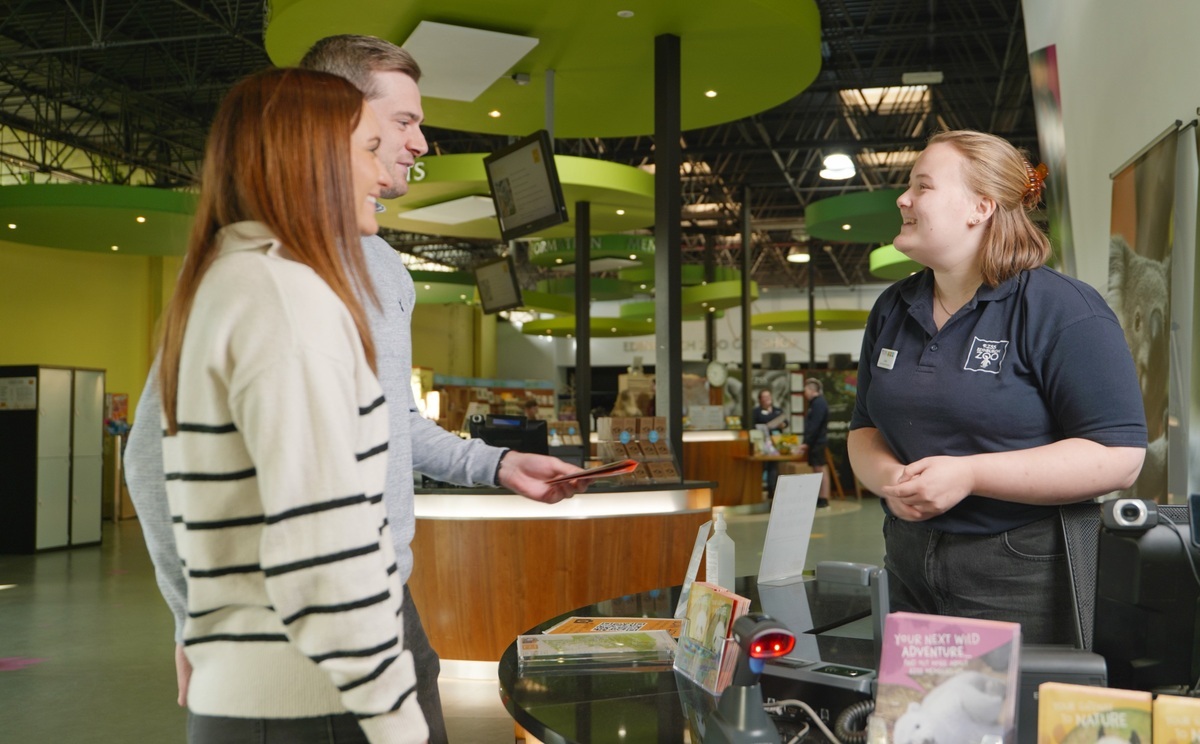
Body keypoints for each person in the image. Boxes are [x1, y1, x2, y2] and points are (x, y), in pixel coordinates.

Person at [124, 35, 585, 744]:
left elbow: (396, 420)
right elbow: (153, 457)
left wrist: (494, 463)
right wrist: (198, 621)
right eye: (395, 126)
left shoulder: (380, 267)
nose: (417, 143)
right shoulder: (262, 276)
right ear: (327, 130)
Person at [153, 67, 424, 742]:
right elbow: (323, 547)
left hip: (248, 695)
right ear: (314, 160)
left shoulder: (223, 281)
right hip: (314, 703)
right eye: (367, 149)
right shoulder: (285, 300)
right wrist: (397, 720)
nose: (381, 177)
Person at [846, 130, 1147, 644]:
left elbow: (1118, 455)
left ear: (980, 207)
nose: (903, 198)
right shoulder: (893, 308)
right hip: (908, 559)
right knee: (920, 720)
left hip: (1022, 567)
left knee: (1015, 721)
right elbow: (864, 428)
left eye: (923, 186)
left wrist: (968, 475)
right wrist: (893, 480)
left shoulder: (1063, 309)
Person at [800, 378, 830, 509]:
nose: (804, 393)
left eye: (806, 390)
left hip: (817, 442)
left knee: (820, 469)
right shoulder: (815, 403)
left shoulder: (819, 404)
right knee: (817, 469)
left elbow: (815, 425)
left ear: (812, 390)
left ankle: (824, 497)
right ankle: (820, 497)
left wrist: (807, 442)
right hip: (816, 441)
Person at [752, 388, 787, 498]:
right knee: (761, 466)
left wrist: (783, 425)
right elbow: (752, 425)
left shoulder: (777, 410)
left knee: (773, 467)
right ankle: (757, 491)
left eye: (769, 396)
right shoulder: (756, 412)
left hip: (775, 443)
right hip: (762, 443)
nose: (767, 399)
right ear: (760, 399)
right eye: (764, 397)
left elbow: (785, 422)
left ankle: (772, 491)